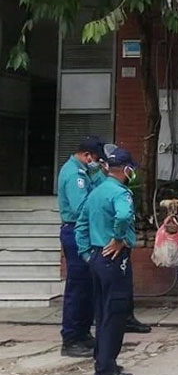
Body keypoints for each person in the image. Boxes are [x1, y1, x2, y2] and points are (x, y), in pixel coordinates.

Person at [74, 147, 138, 375]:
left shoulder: (96, 192)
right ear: (127, 170)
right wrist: (119, 237)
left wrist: (87, 255)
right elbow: (123, 216)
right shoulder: (121, 194)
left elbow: (80, 225)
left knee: (102, 312)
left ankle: (102, 360)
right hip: (114, 259)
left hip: (97, 257)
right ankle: (106, 370)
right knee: (116, 313)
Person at [57, 136, 107, 358]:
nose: (97, 163)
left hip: (85, 233)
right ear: (87, 156)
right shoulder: (74, 175)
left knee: (88, 286)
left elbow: (100, 189)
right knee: (77, 287)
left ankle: (83, 333)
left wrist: (98, 174)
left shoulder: (85, 172)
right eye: (96, 159)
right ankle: (71, 338)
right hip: (76, 232)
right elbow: (80, 207)